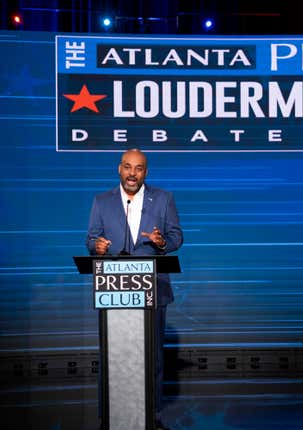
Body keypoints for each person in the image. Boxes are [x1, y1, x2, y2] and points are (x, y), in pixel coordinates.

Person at [86, 148, 183, 429]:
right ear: (119, 169)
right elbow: (91, 238)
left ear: (145, 172)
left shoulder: (163, 199)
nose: (132, 173)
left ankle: (152, 412)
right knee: (113, 353)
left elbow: (177, 236)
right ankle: (109, 413)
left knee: (152, 353)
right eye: (127, 167)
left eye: (138, 168)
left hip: (152, 286)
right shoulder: (102, 201)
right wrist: (97, 247)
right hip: (113, 285)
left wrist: (161, 242)